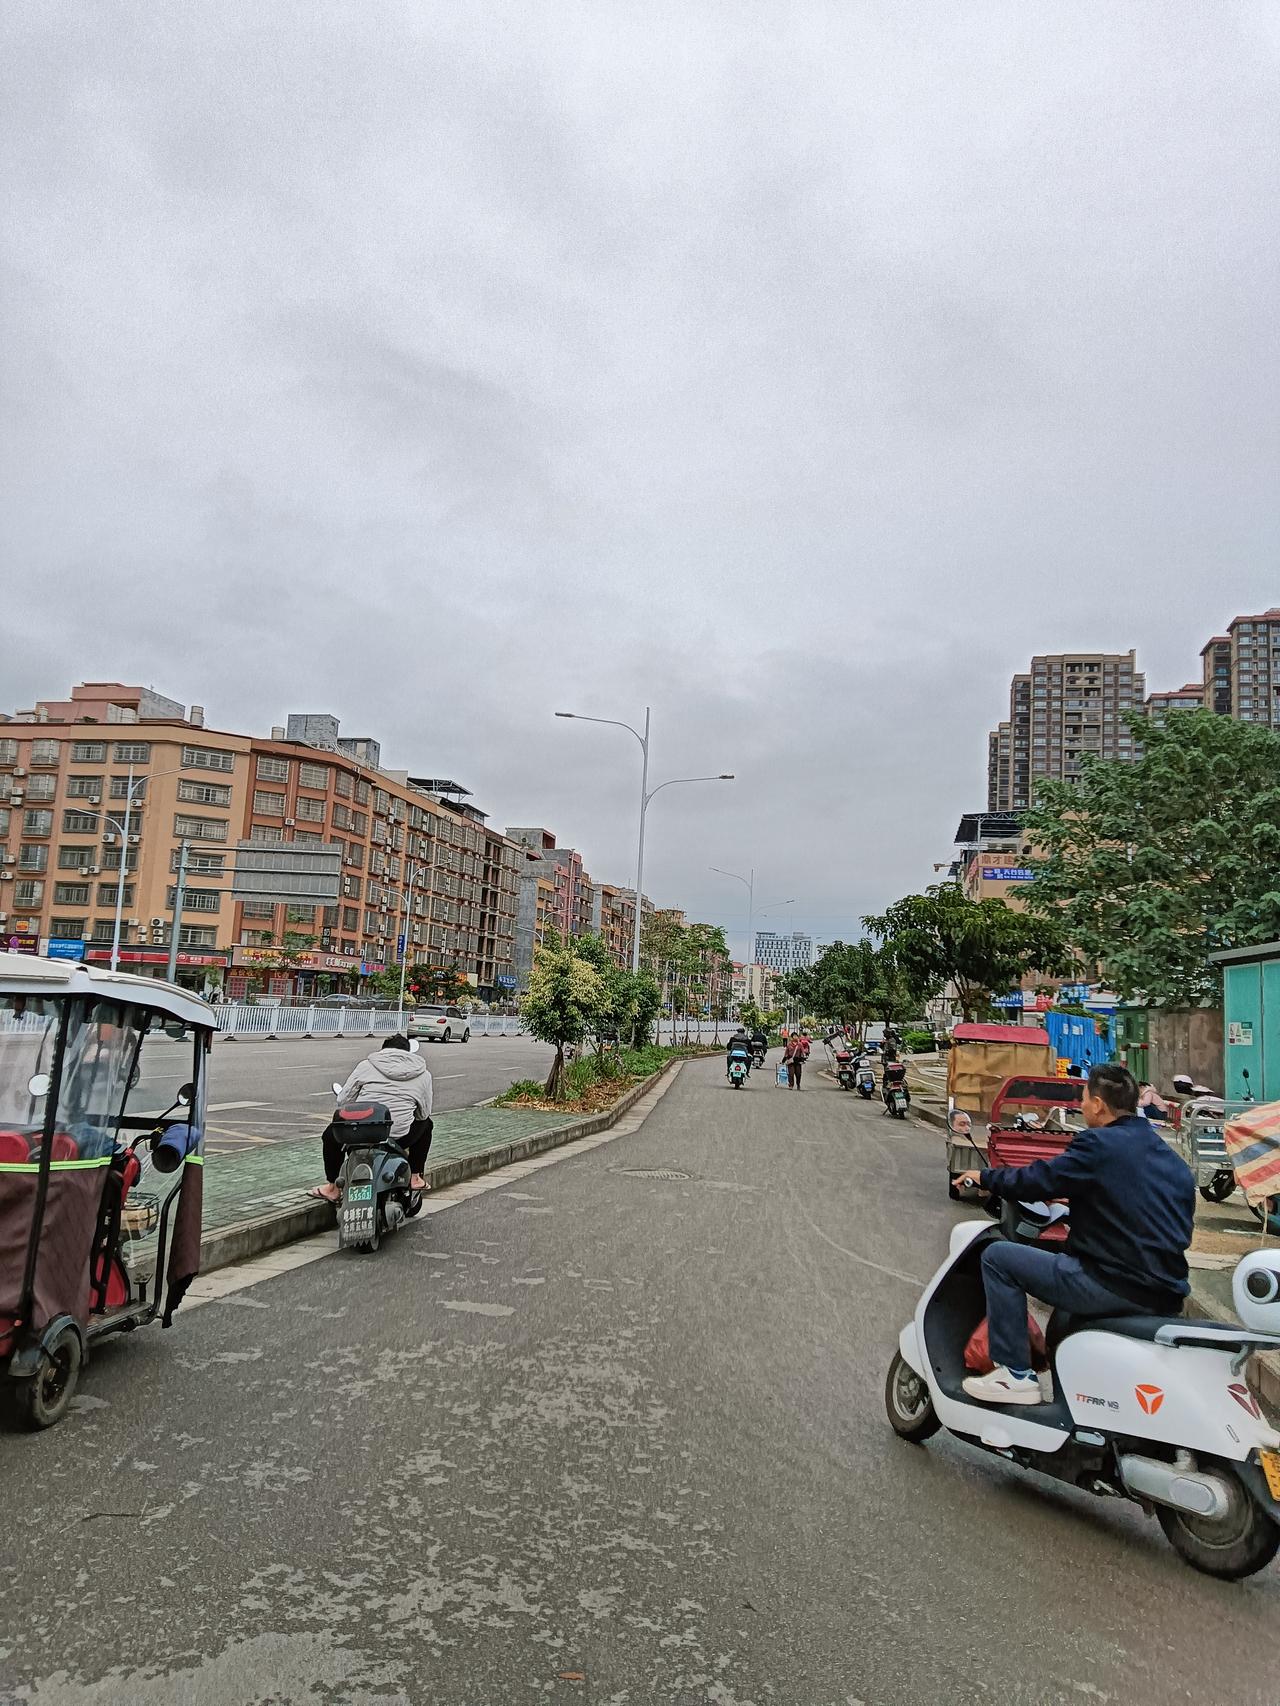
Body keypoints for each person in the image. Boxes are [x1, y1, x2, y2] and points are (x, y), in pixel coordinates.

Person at [955, 1062, 1195, 1406]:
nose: (1081, 1107)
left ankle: (1015, 1375)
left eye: (1084, 1100)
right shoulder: (1172, 1161)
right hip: (1166, 1292)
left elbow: (1040, 1180)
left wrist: (985, 1178)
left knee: (997, 1258)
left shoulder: (1098, 1144)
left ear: (1098, 1104)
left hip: (1110, 1284)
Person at [310, 1035, 433, 1203]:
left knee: (330, 1135)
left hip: (360, 1132)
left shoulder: (366, 1066)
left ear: (383, 1050)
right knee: (427, 1124)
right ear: (408, 1052)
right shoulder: (423, 1074)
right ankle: (415, 1177)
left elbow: (343, 1101)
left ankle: (332, 1187)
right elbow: (423, 1113)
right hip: (399, 1136)